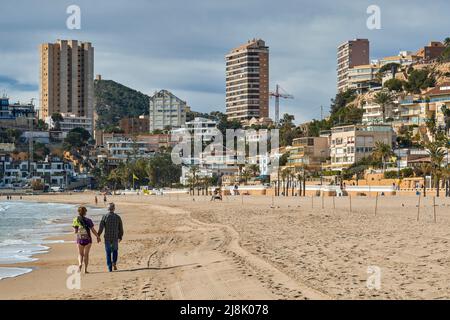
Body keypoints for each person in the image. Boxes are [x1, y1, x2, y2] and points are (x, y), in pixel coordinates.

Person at [72, 206, 100, 273]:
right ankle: (85, 270)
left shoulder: (75, 220)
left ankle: (80, 264)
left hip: (80, 239)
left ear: (78, 212)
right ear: (85, 212)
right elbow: (93, 230)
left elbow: (75, 231)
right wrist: (98, 236)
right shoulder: (88, 220)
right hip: (88, 239)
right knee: (86, 255)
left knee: (80, 254)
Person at [98, 203, 124, 272]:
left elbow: (101, 227)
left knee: (108, 252)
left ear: (108, 209)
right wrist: (120, 236)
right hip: (115, 237)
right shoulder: (117, 217)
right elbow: (120, 228)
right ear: (114, 209)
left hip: (107, 237)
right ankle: (114, 262)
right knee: (115, 250)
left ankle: (110, 267)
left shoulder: (105, 217)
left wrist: (98, 235)